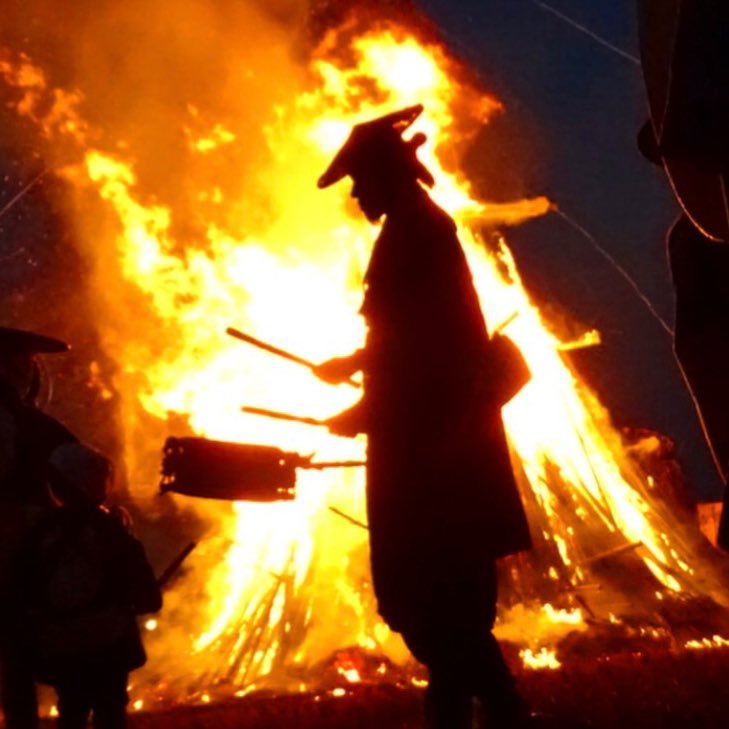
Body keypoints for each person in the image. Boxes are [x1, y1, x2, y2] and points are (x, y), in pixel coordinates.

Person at [314, 106, 533, 729]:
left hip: (436, 459)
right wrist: (356, 366)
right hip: (432, 448)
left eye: (361, 182)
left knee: (439, 607)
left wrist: (363, 408)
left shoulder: (417, 234)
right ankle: (483, 712)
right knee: (440, 611)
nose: (356, 195)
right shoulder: (414, 230)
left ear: (385, 174)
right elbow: (411, 337)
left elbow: (428, 350)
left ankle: (500, 713)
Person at [12, 442, 162, 729]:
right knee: (111, 714)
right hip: (110, 647)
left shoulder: (39, 535)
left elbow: (23, 593)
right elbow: (149, 600)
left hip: (63, 646)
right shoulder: (114, 533)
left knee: (71, 710)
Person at [0, 326, 77, 729]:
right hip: (20, 557)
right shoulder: (31, 428)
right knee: (20, 657)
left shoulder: (35, 427)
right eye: (22, 362)